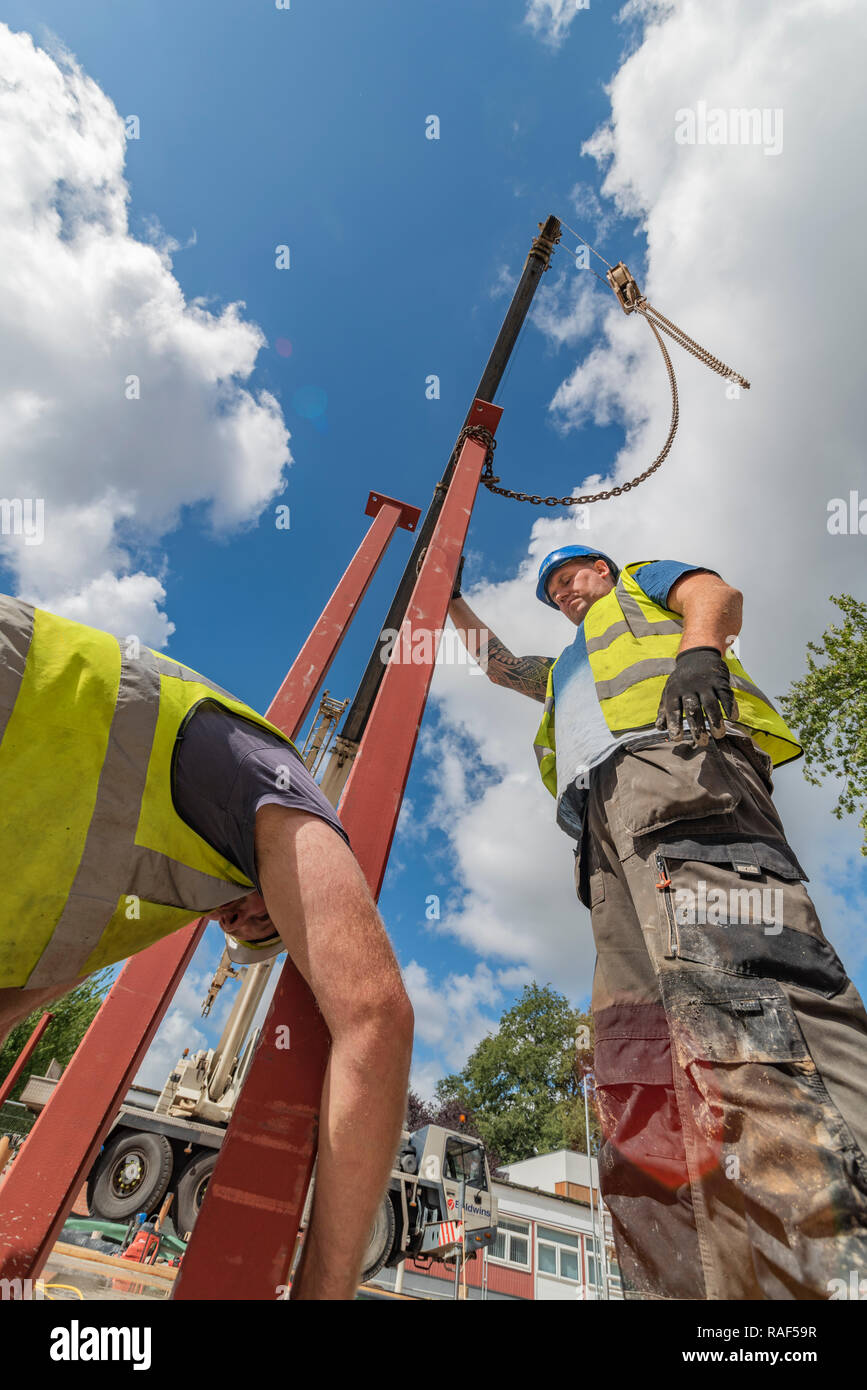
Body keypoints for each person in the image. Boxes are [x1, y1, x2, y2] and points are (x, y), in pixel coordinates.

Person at [448, 545, 867, 1300]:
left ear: (602, 571)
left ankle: (836, 1257)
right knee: (639, 1054)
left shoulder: (639, 586)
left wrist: (699, 653)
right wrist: (445, 596)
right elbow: (499, 665)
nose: (564, 592)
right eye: (552, 590)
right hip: (605, 837)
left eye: (572, 577)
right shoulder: (567, 668)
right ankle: (709, 1293)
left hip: (676, 766)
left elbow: (715, 590)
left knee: (743, 985)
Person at [0, 593, 413, 1300]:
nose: (236, 920)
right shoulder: (276, 783)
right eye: (260, 921)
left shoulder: (159, 891)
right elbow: (376, 1015)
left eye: (243, 930)